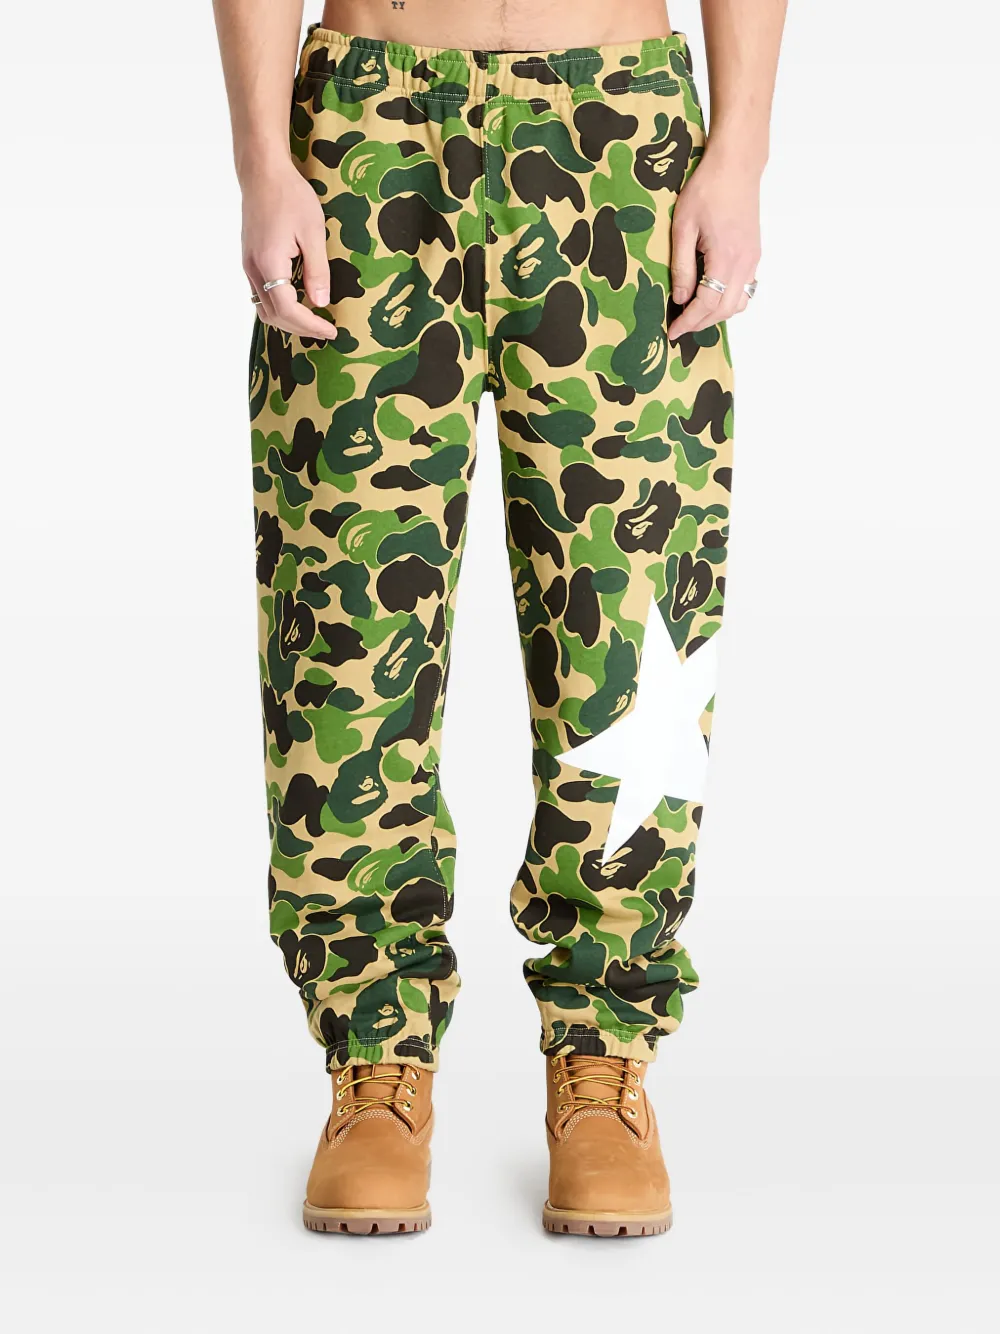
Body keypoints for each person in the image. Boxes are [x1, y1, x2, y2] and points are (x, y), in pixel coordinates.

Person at [213, 0, 786, 1237]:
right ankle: (374, 1058)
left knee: (634, 632)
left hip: (617, 131)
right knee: (341, 630)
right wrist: (263, 159)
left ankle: (603, 1055)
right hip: (368, 133)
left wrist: (737, 149)